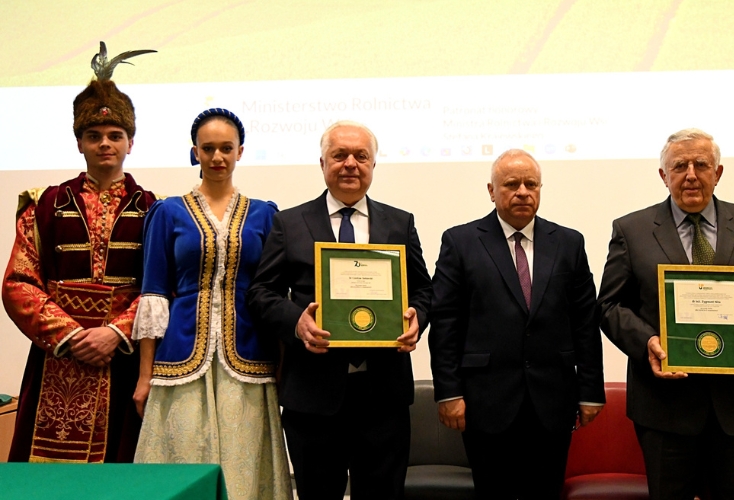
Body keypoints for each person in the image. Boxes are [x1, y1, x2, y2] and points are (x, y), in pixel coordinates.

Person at [597, 128, 734, 500]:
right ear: (664, 175)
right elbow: (609, 305)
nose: (690, 174)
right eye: (679, 166)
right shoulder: (632, 230)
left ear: (717, 173)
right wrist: (648, 343)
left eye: (701, 164)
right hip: (665, 410)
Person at [246, 120, 432, 500]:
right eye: (339, 155)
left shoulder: (400, 222)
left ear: (373, 165)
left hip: (383, 396)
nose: (350, 164)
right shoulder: (289, 223)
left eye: (361, 156)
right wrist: (297, 322)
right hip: (312, 396)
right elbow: (261, 292)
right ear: (322, 163)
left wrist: (417, 318)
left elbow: (424, 290)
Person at [1, 42, 156, 463]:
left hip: (124, 362)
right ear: (79, 143)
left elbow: (161, 289)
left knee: (123, 476)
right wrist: (71, 336)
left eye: (115, 136)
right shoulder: (44, 205)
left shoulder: (156, 210)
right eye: (94, 136)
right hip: (57, 360)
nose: (105, 144)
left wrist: (115, 333)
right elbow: (19, 283)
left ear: (130, 143)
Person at [132, 108, 291, 500]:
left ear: (240, 152)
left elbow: (274, 295)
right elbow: (153, 295)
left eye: (226, 148)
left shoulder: (265, 214)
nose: (217, 157)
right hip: (181, 356)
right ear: (195, 152)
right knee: (183, 460)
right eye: (208, 148)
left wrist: (283, 365)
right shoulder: (167, 212)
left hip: (249, 357)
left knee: (243, 463)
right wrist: (144, 376)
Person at [428, 149, 605, 499]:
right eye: (511, 184)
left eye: (531, 184)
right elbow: (445, 322)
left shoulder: (569, 242)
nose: (523, 191)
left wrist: (590, 391)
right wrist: (449, 391)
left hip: (553, 400)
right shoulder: (461, 241)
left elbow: (586, 321)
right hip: (485, 401)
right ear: (492, 191)